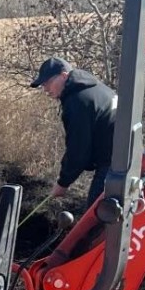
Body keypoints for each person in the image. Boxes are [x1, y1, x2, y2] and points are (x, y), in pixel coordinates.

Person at [29, 56, 117, 205]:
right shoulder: (93, 88)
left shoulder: (78, 101)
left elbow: (78, 150)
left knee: (95, 220)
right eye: (43, 85)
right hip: (124, 159)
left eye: (48, 83)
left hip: (113, 165)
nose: (45, 89)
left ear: (64, 76)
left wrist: (63, 183)